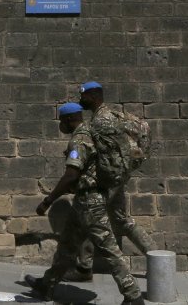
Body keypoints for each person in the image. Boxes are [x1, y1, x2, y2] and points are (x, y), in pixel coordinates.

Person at [26, 102, 144, 305]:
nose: (61, 125)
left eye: (62, 120)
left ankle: (133, 296)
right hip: (84, 202)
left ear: (70, 119)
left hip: (91, 204)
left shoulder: (80, 139)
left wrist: (48, 201)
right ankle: (48, 284)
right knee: (67, 245)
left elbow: (70, 175)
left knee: (109, 249)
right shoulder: (91, 131)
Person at [78, 81, 153, 263]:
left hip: (107, 179)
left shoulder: (101, 120)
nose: (81, 99)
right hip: (118, 177)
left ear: (94, 96)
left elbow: (104, 154)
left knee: (90, 216)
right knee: (121, 220)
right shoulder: (114, 115)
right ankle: (156, 257)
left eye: (84, 96)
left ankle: (84, 266)